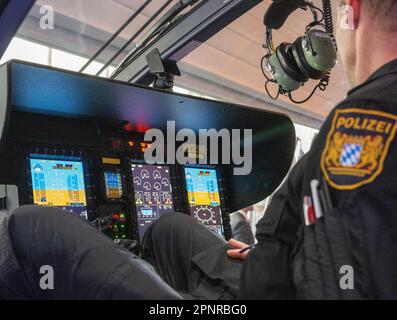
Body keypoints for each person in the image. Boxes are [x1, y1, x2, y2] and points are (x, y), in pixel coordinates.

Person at [145, 0, 397, 300]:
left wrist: (274, 265)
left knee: (76, 237)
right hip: (278, 271)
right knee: (172, 229)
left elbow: (345, 278)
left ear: (350, 11)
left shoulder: (363, 123)